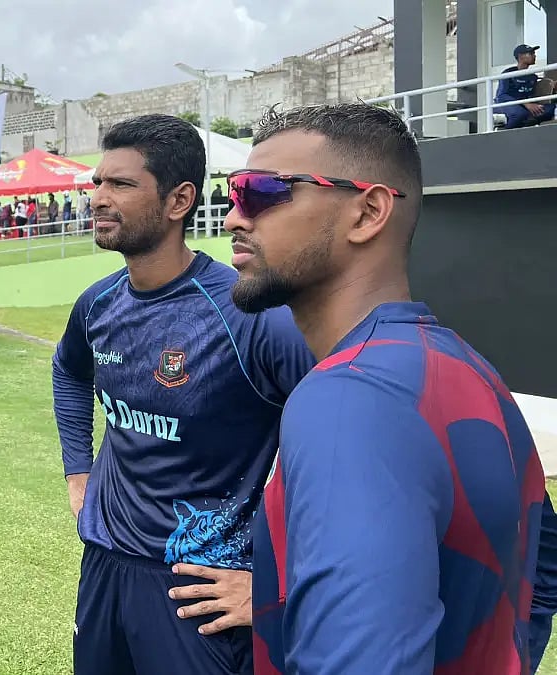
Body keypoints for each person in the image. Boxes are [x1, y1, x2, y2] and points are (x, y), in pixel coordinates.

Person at [226, 101, 557, 674]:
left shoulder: (349, 398)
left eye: (263, 191)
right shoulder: (469, 369)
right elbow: (543, 575)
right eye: (234, 192)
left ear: (368, 212)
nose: (234, 217)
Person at [52, 113, 316, 675]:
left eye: (121, 184)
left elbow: (344, 450)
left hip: (196, 589)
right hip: (102, 566)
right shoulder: (98, 304)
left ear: (179, 201)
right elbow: (68, 371)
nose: (98, 198)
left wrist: (279, 582)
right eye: (97, 182)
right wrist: (78, 470)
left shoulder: (250, 317)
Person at [494, 44, 555, 129]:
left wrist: (551, 85)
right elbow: (501, 96)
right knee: (520, 114)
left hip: (526, 106)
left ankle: (526, 125)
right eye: (531, 53)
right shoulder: (508, 73)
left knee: (550, 109)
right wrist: (526, 104)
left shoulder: (532, 76)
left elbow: (534, 92)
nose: (534, 56)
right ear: (520, 56)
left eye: (534, 53)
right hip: (508, 105)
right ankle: (502, 131)